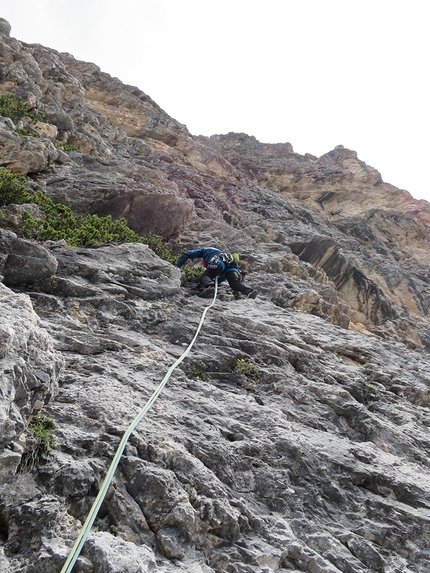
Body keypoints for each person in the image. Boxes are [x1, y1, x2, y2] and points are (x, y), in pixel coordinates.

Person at [176, 247, 258, 299]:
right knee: (234, 283)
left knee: (206, 275)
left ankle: (208, 287)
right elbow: (219, 280)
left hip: (218, 260)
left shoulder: (205, 251)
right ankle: (249, 291)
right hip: (231, 264)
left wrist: (177, 267)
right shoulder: (221, 253)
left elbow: (187, 254)